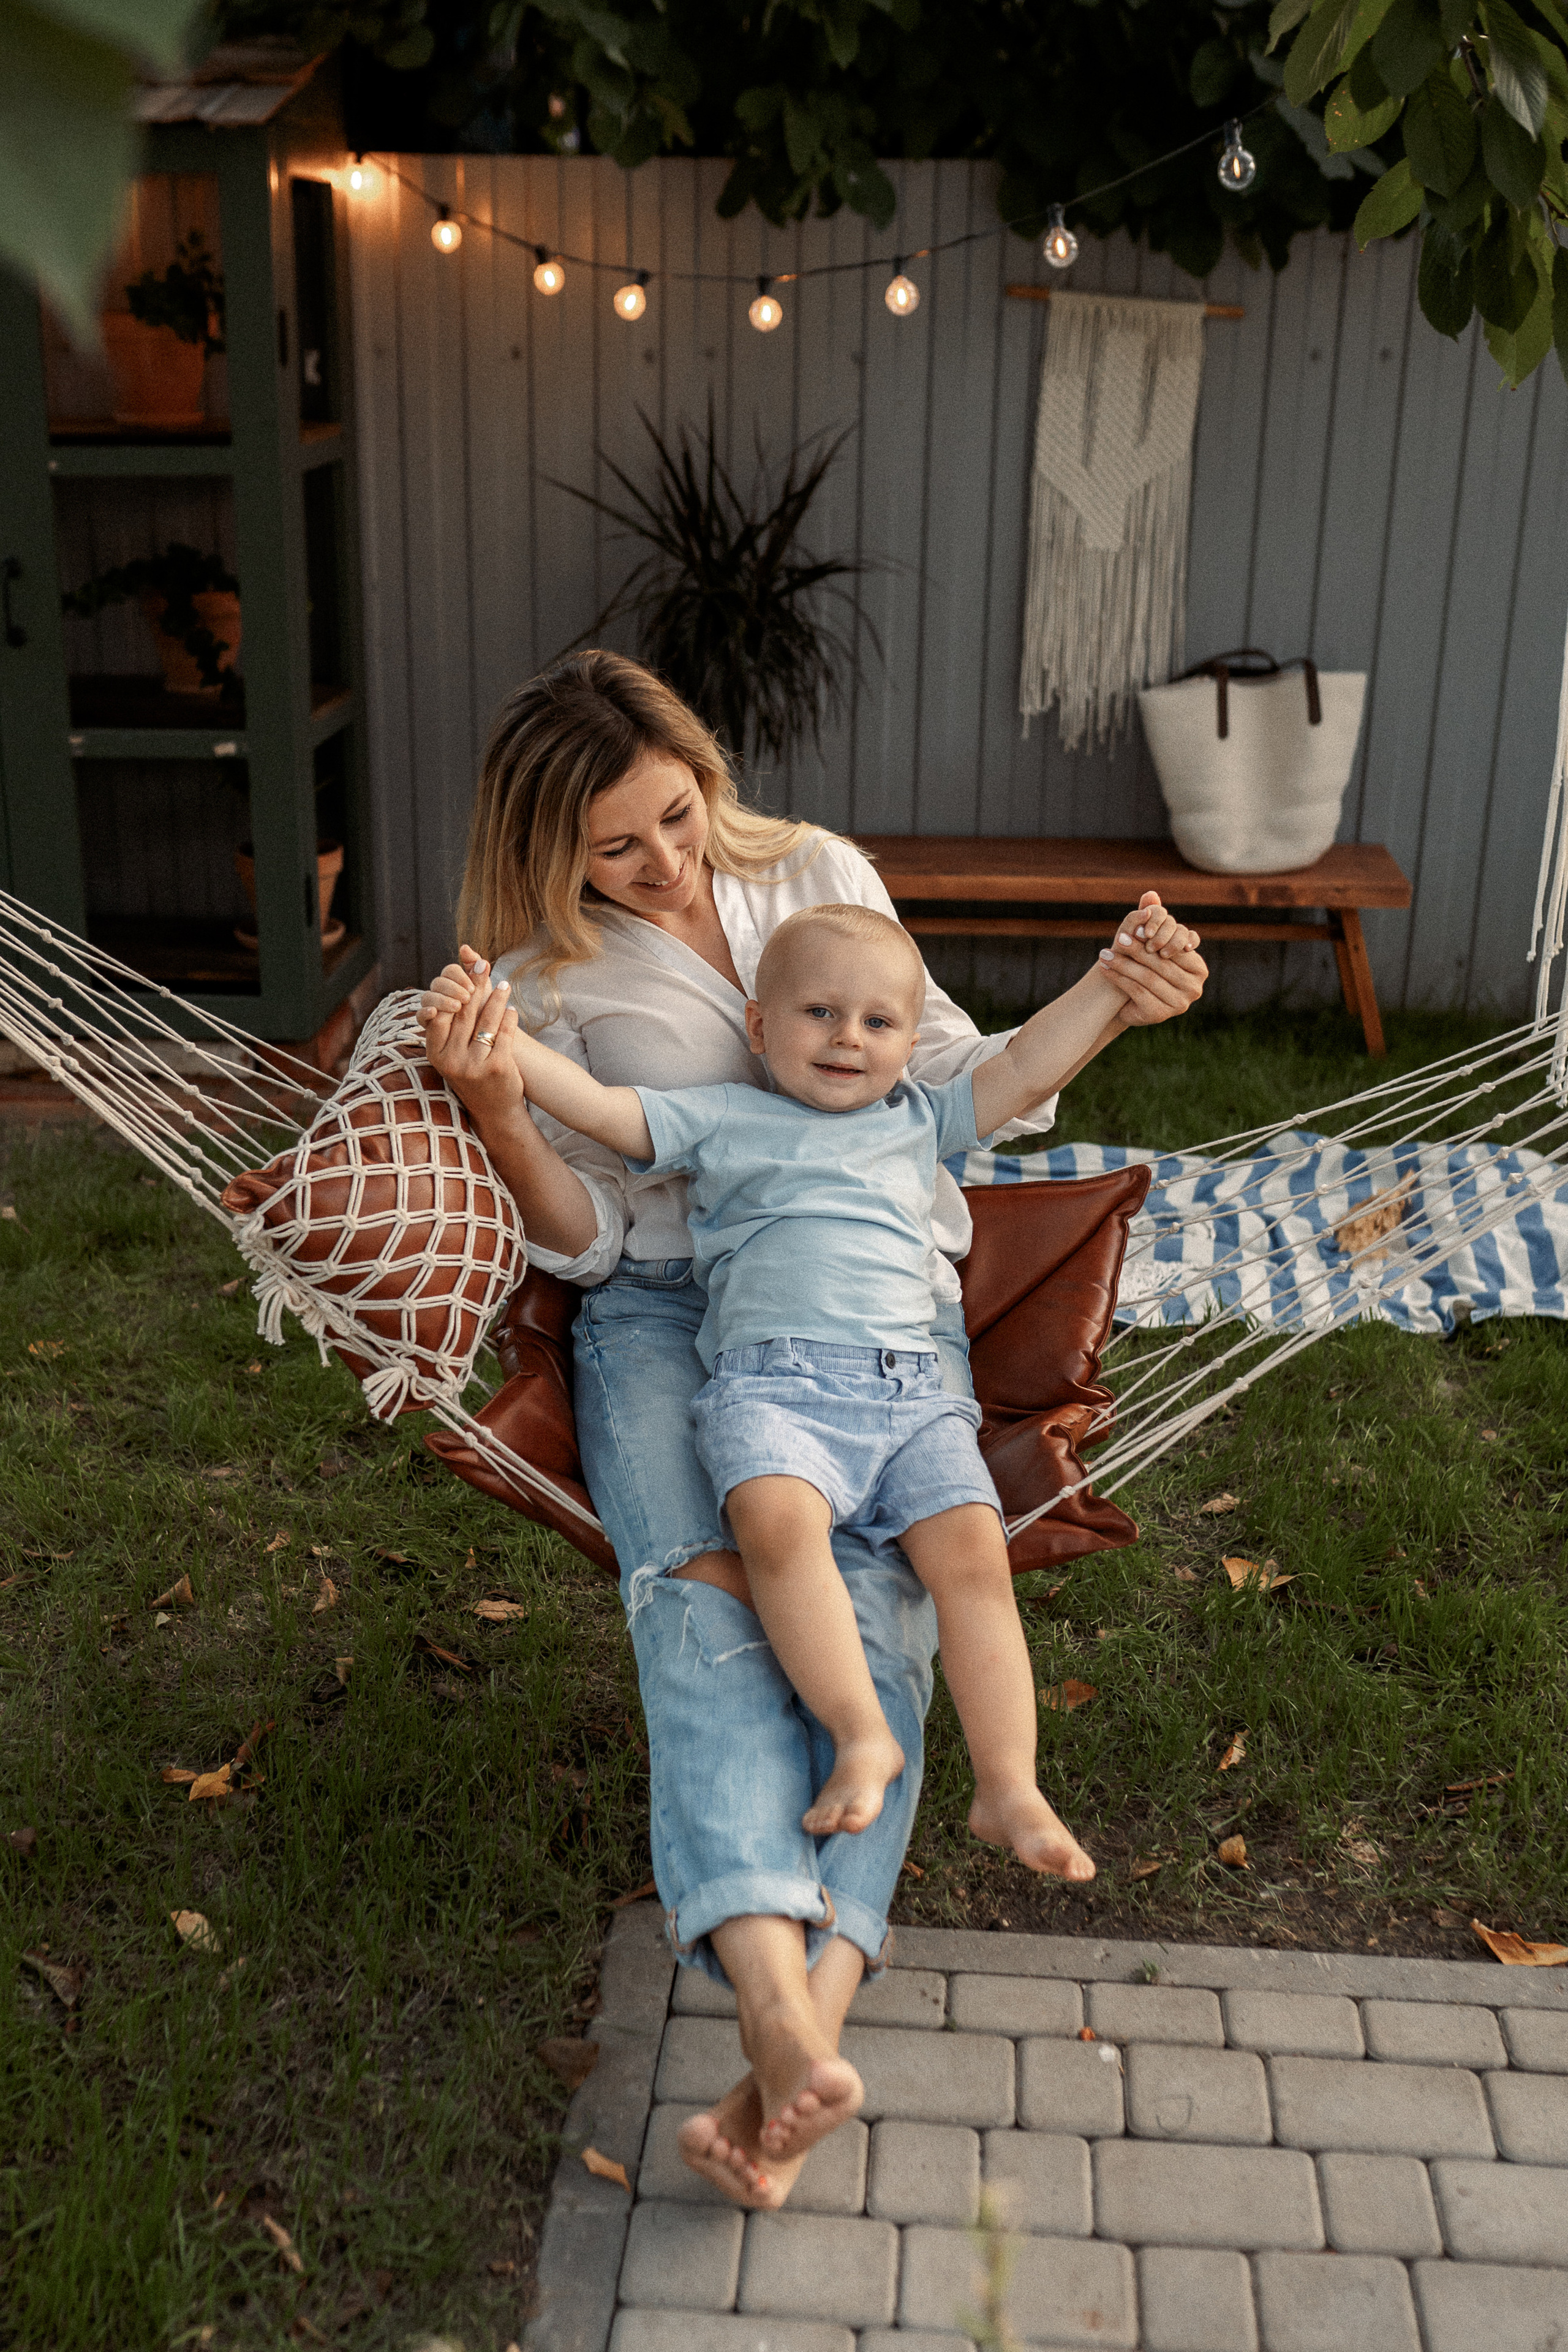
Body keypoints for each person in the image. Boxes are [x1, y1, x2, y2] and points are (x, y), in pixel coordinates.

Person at [418, 650, 1207, 2209]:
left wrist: (1114, 997)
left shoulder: (821, 875)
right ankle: (781, 2017)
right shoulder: (542, 983)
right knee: (705, 1606)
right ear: (545, 850)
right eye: (616, 844)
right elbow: (585, 1236)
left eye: (679, 809)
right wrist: (506, 1108)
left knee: (892, 1617)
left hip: (883, 1322)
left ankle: (790, 2049)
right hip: (669, 1312)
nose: (670, 861)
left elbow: (951, 1082)